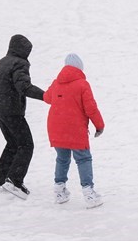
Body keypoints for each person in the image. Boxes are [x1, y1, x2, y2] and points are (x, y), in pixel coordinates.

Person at [0, 34, 45, 199]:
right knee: (26, 144)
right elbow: (23, 86)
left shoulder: (0, 63)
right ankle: (14, 181)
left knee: (13, 144)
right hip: (11, 110)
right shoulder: (20, 63)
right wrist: (45, 96)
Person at [43, 53, 105, 209]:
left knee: (62, 158)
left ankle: (59, 191)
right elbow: (91, 108)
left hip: (56, 128)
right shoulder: (82, 84)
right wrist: (99, 125)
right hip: (75, 128)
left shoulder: (57, 83)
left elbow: (47, 98)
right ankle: (89, 193)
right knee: (83, 159)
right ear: (80, 68)